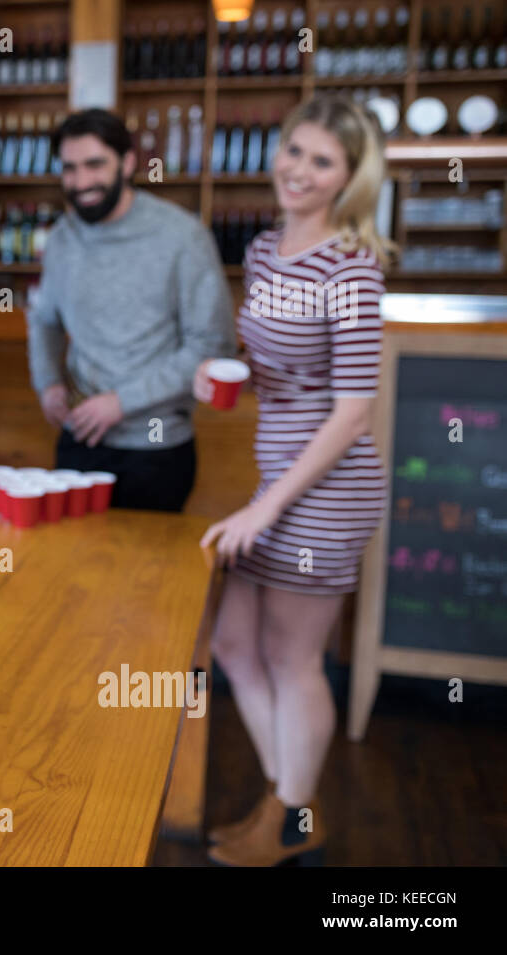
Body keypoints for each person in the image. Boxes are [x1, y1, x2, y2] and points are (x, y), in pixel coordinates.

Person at [197, 95, 393, 866]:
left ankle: (289, 819)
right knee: (233, 642)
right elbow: (285, 373)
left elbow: (350, 410)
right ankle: (285, 805)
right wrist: (233, 382)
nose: (300, 171)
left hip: (326, 488)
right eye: (295, 151)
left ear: (349, 178)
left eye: (323, 161)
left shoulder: (351, 265)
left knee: (292, 657)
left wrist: (264, 508)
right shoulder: (268, 248)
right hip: (278, 473)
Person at [27, 109, 236, 512]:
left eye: (94, 164)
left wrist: (121, 402)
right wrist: (48, 382)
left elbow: (212, 346)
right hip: (80, 442)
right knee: (66, 569)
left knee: (143, 574)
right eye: (69, 168)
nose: (81, 181)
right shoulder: (61, 238)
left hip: (155, 448)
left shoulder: (182, 236)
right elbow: (44, 320)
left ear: (127, 163)